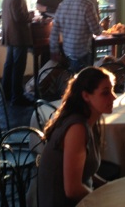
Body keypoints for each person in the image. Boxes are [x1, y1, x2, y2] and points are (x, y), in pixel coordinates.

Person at [38, 66, 116, 207]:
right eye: (105, 93)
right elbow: (72, 190)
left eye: (112, 90)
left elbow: (84, 169)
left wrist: (108, 186)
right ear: (86, 96)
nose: (113, 97)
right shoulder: (77, 128)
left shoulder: (90, 119)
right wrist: (105, 202)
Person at [49, 0, 103, 73]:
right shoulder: (88, 5)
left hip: (67, 53)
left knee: (71, 78)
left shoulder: (63, 4)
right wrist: (101, 27)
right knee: (84, 80)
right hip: (83, 53)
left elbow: (55, 30)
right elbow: (96, 31)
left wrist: (54, 50)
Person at [1, 0, 34, 106]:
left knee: (9, 65)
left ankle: (6, 93)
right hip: (19, 37)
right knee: (18, 68)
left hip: (10, 37)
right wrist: (30, 16)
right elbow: (19, 17)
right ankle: (17, 97)